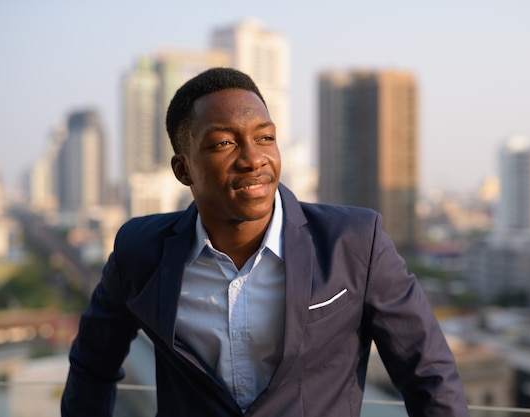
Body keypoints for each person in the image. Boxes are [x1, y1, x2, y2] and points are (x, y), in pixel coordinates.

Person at [61, 67, 469, 417]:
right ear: (183, 169)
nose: (253, 158)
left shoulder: (356, 242)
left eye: (265, 138)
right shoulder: (140, 250)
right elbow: (92, 366)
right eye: (224, 143)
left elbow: (428, 376)